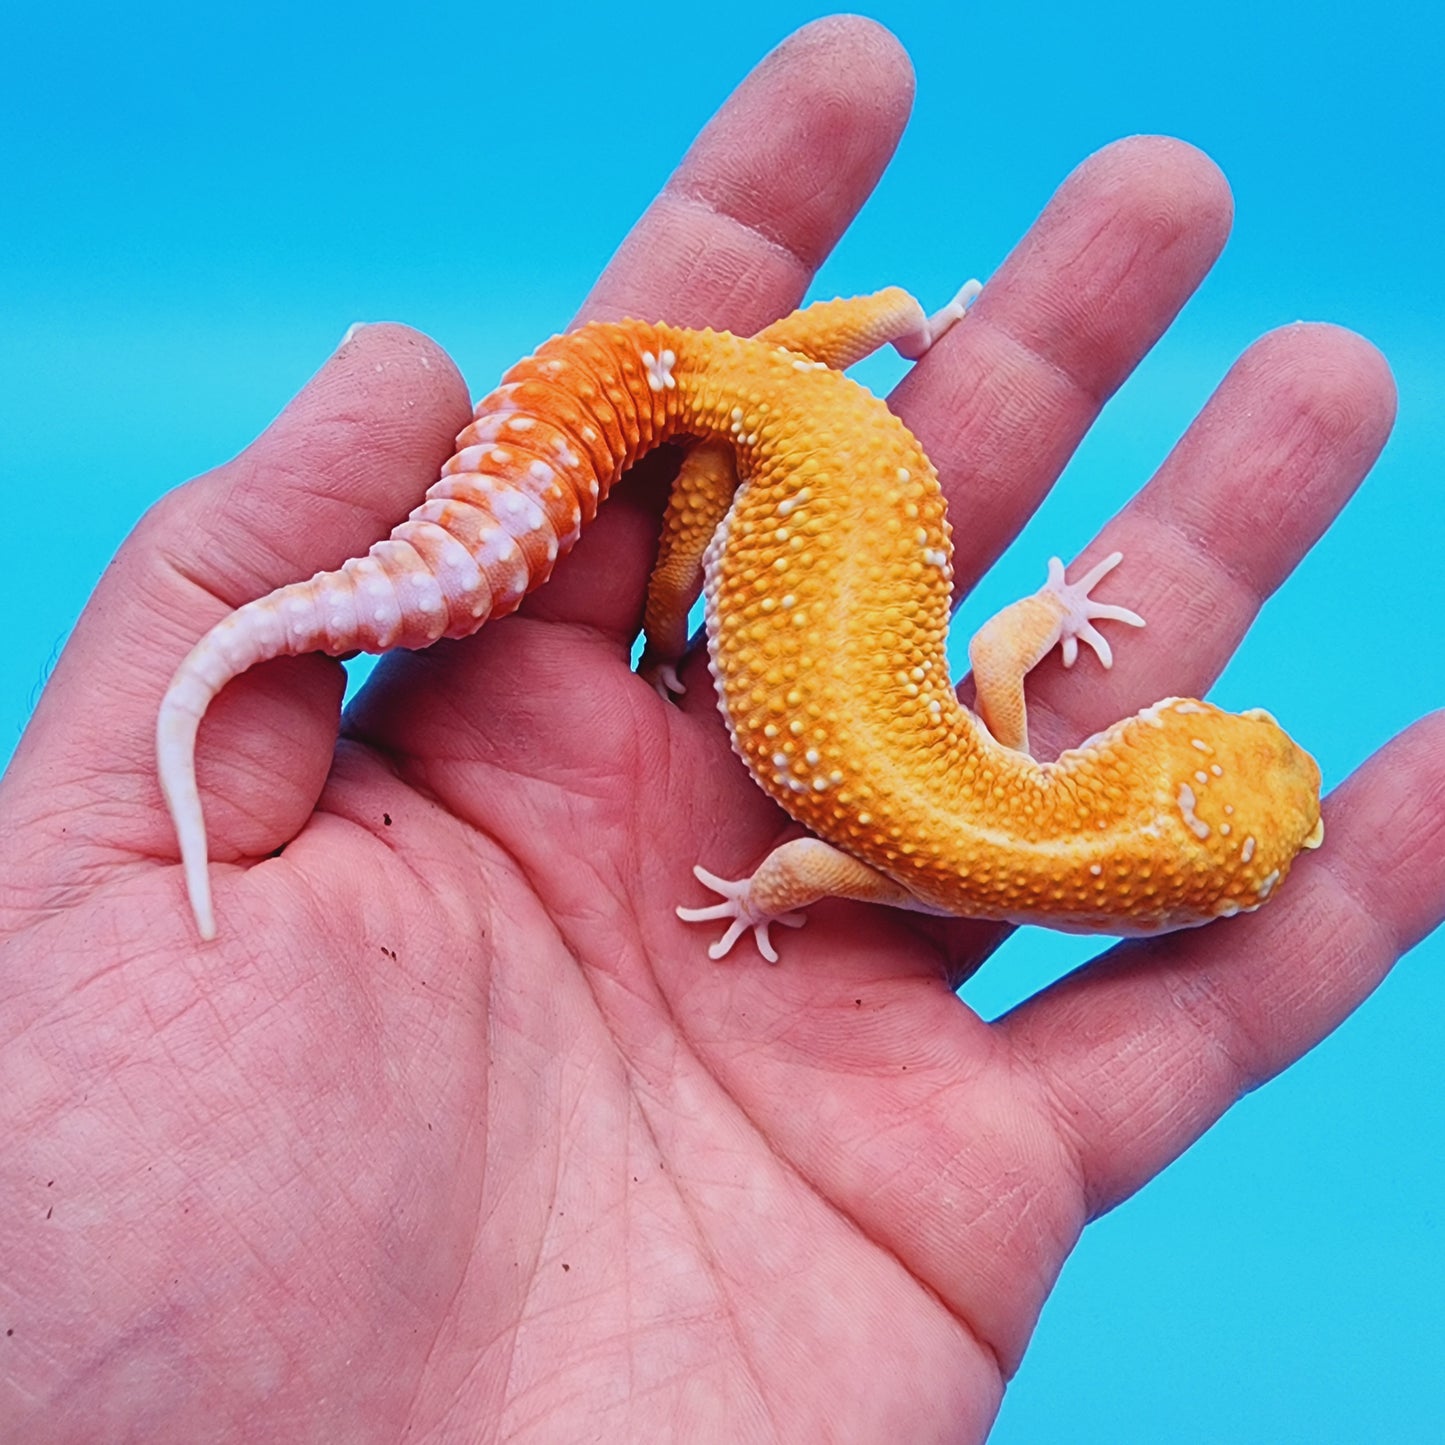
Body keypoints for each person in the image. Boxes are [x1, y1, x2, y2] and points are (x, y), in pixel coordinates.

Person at [1, 15, 1440, 1441]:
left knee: (721, 485)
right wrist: (735, 818)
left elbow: (998, 658)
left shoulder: (1012, 780)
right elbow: (821, 872)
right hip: (770, 422)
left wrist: (992, 588)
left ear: (1148, 759)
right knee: (691, 515)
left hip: (819, 409)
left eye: (1228, 730)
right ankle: (748, 488)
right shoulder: (971, 857)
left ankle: (899, 326)